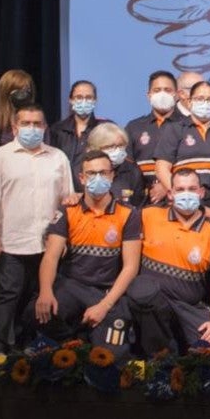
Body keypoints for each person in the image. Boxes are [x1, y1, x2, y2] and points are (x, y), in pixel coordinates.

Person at [0, 103, 74, 358]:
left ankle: (29, 346)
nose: (32, 128)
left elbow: (67, 200)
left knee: (36, 299)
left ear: (44, 127)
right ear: (15, 127)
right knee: (6, 294)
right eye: (26, 124)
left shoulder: (58, 157)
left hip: (46, 243)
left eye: (37, 124)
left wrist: (64, 239)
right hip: (11, 239)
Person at [32, 151, 142, 361]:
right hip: (72, 286)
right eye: (91, 174)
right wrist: (45, 292)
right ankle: (73, 342)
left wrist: (104, 306)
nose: (97, 178)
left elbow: (130, 268)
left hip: (107, 291)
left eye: (102, 173)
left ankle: (90, 341)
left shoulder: (129, 213)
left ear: (112, 176)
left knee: (112, 356)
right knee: (36, 312)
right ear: (81, 178)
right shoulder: (67, 210)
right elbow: (51, 257)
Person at [126, 168, 210, 354]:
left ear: (201, 192)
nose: (186, 194)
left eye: (192, 189)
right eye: (180, 189)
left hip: (189, 306)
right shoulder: (148, 215)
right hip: (152, 305)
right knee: (143, 291)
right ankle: (161, 362)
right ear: (170, 193)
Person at [155, 81, 210, 212]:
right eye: (200, 99)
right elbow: (161, 168)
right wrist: (178, 194)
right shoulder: (174, 129)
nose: (205, 103)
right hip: (184, 201)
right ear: (190, 102)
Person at [125, 70, 185, 205]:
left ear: (176, 95)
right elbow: (127, 169)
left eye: (167, 90)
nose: (162, 94)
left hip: (179, 201)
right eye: (157, 90)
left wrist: (166, 185)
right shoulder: (134, 127)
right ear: (149, 95)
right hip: (142, 202)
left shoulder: (187, 126)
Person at [47, 80, 109, 188]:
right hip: (64, 193)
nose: (84, 101)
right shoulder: (57, 130)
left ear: (95, 100)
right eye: (79, 97)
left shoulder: (105, 129)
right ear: (71, 100)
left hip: (94, 192)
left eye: (89, 97)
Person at [87, 122, 145, 207]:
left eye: (120, 145)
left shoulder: (133, 171)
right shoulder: (85, 170)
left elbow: (138, 206)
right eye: (110, 147)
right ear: (95, 148)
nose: (117, 151)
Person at [0, 69, 36, 145]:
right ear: (6, 92)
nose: (23, 94)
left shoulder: (36, 120)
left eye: (27, 89)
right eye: (18, 89)